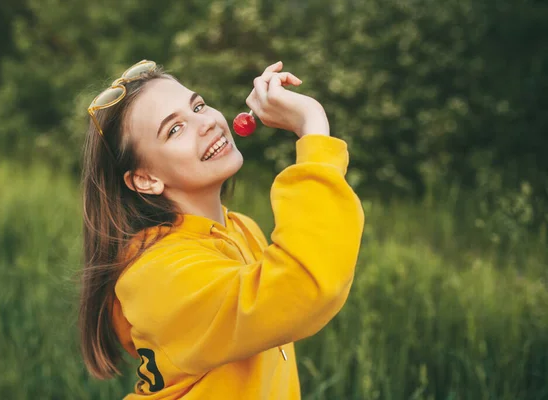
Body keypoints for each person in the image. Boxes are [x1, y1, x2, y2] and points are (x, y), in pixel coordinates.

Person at [79, 59, 365, 399]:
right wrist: (313, 127)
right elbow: (305, 287)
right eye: (174, 129)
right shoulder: (158, 276)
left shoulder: (241, 228)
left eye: (198, 105)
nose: (205, 123)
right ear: (146, 179)